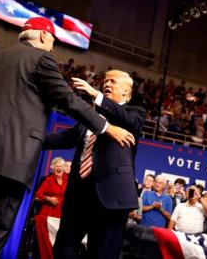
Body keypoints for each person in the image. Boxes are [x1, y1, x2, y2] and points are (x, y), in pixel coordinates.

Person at [0, 17, 135, 258]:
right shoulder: (41, 57)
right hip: (9, 163)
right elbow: (68, 100)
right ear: (42, 36)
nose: (52, 48)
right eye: (52, 42)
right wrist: (106, 128)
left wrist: (38, 140)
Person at [44, 70, 145, 259]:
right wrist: (31, 140)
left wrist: (95, 94)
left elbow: (128, 119)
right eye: (105, 80)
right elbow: (65, 137)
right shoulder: (91, 116)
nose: (106, 83)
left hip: (111, 200)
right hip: (78, 195)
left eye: (112, 81)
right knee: (63, 250)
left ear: (126, 92)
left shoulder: (135, 113)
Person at [34, 157, 68, 259]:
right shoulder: (48, 181)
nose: (59, 168)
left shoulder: (68, 181)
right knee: (47, 242)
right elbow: (37, 194)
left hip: (61, 214)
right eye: (56, 166)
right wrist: (48, 199)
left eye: (61, 166)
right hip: (48, 214)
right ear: (53, 169)